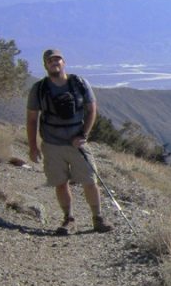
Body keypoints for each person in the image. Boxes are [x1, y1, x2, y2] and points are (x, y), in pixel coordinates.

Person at [26, 49, 112, 234]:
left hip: (77, 144)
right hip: (51, 144)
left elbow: (91, 110)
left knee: (90, 180)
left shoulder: (79, 83)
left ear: (64, 62)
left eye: (57, 59)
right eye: (50, 60)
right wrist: (33, 146)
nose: (54, 62)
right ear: (45, 65)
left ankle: (97, 218)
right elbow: (32, 119)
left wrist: (83, 135)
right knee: (60, 182)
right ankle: (69, 219)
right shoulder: (39, 89)